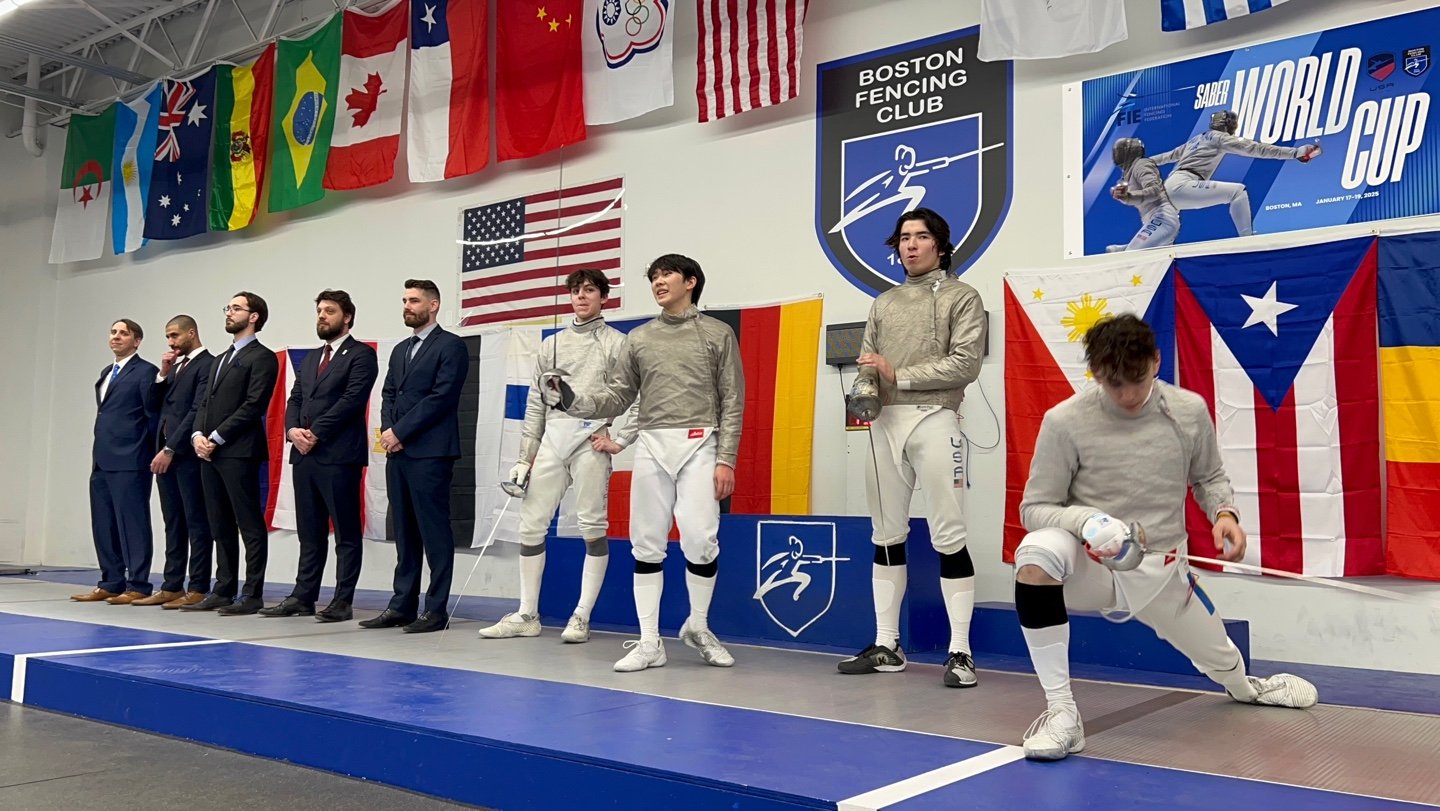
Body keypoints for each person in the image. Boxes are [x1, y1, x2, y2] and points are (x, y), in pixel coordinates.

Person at [1013, 314, 1318, 762]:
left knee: (1221, 659)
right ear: (1096, 373)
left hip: (1158, 568)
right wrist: (1088, 522)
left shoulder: (1187, 410)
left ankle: (1245, 686)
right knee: (1036, 554)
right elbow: (1034, 507)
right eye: (1115, 384)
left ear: (1155, 361)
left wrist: (1224, 514)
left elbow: (1209, 475)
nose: (1129, 395)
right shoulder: (1065, 421)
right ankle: (1062, 714)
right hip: (1089, 564)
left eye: (1137, 380)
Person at [541, 254, 744, 673]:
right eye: (653, 276)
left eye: (666, 274)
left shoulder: (717, 334)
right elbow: (618, 396)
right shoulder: (639, 338)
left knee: (701, 540)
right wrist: (574, 399)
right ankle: (650, 641)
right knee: (647, 542)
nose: (658, 281)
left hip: (701, 443)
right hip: (653, 443)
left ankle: (699, 626)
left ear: (690, 281)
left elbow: (733, 400)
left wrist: (726, 459)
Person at [838, 208, 987, 688]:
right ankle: (887, 644)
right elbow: (867, 360)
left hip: (936, 418)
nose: (911, 245)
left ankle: (960, 652)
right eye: (904, 238)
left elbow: (965, 365)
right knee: (886, 535)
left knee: (949, 534)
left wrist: (895, 374)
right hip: (885, 423)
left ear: (940, 245)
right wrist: (865, 387)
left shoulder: (963, 297)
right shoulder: (884, 302)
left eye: (921, 237)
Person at [479, 269, 636, 644]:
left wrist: (619, 439)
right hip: (553, 436)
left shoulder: (617, 343)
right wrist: (524, 457)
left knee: (592, 526)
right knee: (530, 525)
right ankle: (527, 614)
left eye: (589, 291)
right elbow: (537, 402)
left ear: (603, 297)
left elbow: (634, 396)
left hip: (590, 439)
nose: (581, 297)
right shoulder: (551, 345)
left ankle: (581, 616)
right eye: (576, 291)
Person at [261, 290, 378, 622]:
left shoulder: (361, 355)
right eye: (319, 312)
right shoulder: (312, 358)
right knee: (309, 532)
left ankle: (342, 600)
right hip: (305, 456)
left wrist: (316, 432)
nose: (322, 316)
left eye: (329, 311)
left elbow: (352, 400)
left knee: (345, 531)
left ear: (347, 317)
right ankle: (303, 595)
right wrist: (292, 430)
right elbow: (295, 398)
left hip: (339, 456)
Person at [361, 279, 469, 634]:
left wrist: (401, 432)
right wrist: (389, 434)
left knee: (434, 533)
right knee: (405, 533)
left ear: (434, 305)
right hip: (399, 452)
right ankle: (401, 605)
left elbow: (441, 397)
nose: (407, 306)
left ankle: (435, 610)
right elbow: (389, 393)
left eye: (414, 300)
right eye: (405, 300)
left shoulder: (450, 346)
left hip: (430, 453)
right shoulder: (400, 350)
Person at [183, 293, 279, 615]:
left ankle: (252, 594)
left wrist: (217, 437)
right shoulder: (219, 359)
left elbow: (253, 405)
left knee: (248, 524)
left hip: (238, 452)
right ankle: (223, 588)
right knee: (218, 523)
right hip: (208, 453)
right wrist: (197, 435)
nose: (229, 312)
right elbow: (203, 403)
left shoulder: (262, 357)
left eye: (236, 308)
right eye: (228, 307)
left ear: (254, 317)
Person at [73, 319, 159, 604]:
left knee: (132, 523)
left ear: (137, 341)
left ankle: (138, 584)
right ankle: (110, 580)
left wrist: (147, 452)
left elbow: (152, 417)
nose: (117, 337)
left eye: (124, 333)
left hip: (131, 459)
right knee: (104, 522)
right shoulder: (107, 371)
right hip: (102, 458)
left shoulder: (146, 371)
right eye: (113, 332)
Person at [132, 315, 215, 608]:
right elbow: (154, 406)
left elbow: (197, 410)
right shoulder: (176, 366)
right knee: (173, 521)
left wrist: (171, 449)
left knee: (196, 521)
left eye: (175, 335)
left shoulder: (209, 364)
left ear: (192, 333)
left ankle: (199, 585)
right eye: (168, 337)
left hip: (187, 455)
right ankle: (171, 584)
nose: (171, 342)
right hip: (164, 453)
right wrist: (163, 374)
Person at [1150, 110, 1322, 238]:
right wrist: (1294, 153)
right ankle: (1247, 240)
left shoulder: (1196, 139)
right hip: (1184, 184)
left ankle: (1128, 249)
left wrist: (1138, 164)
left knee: (1163, 235)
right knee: (1237, 192)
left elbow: (1167, 156)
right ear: (1229, 125)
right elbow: (1257, 148)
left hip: (1169, 187)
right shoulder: (1220, 138)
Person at [1105, 137, 1179, 253]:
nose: (1116, 154)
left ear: (1129, 151)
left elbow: (1154, 191)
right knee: (1115, 252)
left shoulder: (1141, 164)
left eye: (1119, 151)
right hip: (1152, 220)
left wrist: (1128, 196)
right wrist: (1122, 195)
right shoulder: (1127, 174)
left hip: (1163, 218)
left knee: (1131, 255)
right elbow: (1131, 197)